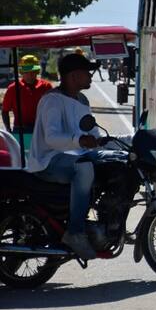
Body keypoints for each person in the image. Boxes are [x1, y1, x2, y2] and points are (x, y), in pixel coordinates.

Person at [26, 53, 119, 260]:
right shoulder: (52, 101)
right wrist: (80, 140)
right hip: (49, 160)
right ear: (74, 76)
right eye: (87, 73)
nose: (91, 77)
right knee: (84, 167)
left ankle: (111, 221)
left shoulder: (81, 99)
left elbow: (92, 133)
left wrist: (111, 143)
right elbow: (52, 138)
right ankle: (75, 232)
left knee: (117, 161)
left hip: (74, 154)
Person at [2, 55, 54, 137]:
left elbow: (53, 108)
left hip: (42, 129)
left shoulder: (46, 86)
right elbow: (5, 110)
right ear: (22, 72)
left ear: (37, 71)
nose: (30, 75)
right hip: (20, 129)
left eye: (33, 72)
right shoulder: (13, 88)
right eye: (27, 72)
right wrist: (9, 130)